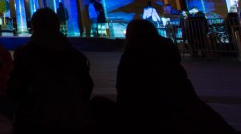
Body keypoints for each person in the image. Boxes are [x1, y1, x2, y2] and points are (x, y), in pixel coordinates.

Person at [97, 19, 234, 134]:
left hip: (147, 116)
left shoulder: (131, 56)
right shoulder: (168, 53)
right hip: (185, 109)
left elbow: (124, 91)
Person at [4, 8, 94, 133]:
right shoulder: (75, 56)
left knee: (0, 99)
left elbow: (13, 89)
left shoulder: (27, 54)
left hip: (37, 120)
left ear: (34, 27)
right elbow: (87, 87)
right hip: (73, 120)